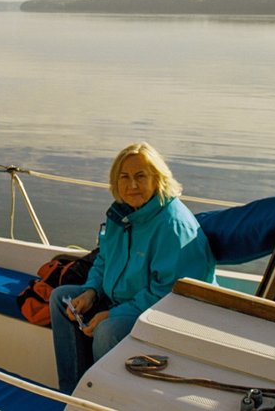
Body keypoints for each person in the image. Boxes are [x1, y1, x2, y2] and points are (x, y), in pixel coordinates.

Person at [49, 142, 216, 394]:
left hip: (169, 313)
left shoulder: (172, 226)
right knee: (62, 299)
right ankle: (73, 392)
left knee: (108, 330)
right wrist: (91, 291)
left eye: (141, 176)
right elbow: (104, 260)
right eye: (124, 177)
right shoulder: (121, 216)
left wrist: (113, 315)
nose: (132, 185)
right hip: (126, 301)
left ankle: (102, 400)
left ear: (158, 179)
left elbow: (171, 294)